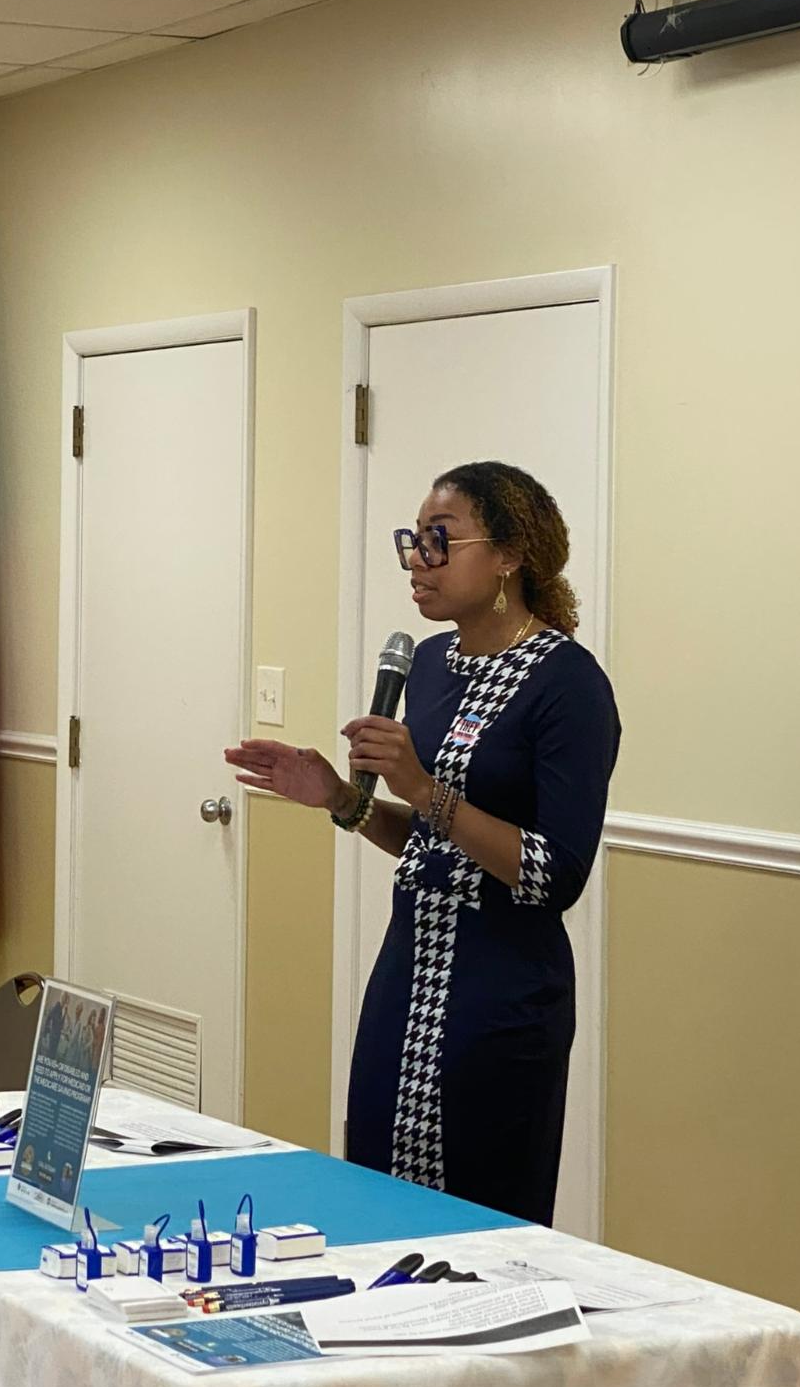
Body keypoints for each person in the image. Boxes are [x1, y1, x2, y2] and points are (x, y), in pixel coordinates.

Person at [225, 461, 619, 1225]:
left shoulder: (569, 685)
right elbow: (433, 841)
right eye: (412, 541)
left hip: (500, 995)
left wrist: (421, 787)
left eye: (440, 541)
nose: (418, 561)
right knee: (375, 1203)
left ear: (509, 555)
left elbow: (554, 874)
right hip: (406, 977)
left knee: (479, 1228)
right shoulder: (432, 665)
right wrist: (340, 798)